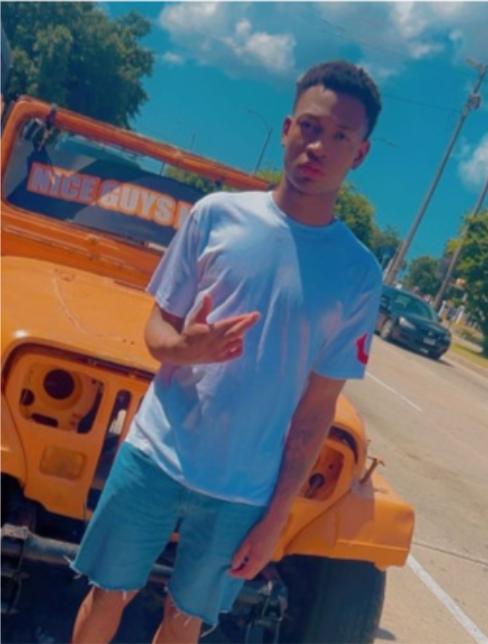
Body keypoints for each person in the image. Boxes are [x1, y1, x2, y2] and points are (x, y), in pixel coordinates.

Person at [70, 59, 383, 644]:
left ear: (360, 154)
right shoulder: (216, 215)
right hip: (154, 454)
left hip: (244, 489)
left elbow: (316, 410)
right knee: (107, 593)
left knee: (185, 620)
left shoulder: (358, 274)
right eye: (310, 126)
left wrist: (277, 516)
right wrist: (184, 348)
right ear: (287, 128)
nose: (319, 146)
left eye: (340, 136)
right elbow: (156, 334)